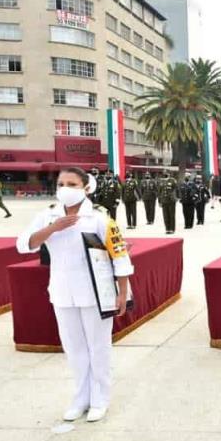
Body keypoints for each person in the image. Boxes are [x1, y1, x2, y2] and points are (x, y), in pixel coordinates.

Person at [16, 167, 134, 423]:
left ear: (85, 188)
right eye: (61, 183)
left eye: (72, 183)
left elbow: (120, 255)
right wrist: (53, 228)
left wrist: (122, 292)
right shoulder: (48, 215)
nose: (65, 189)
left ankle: (100, 398)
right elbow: (24, 244)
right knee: (74, 349)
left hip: (95, 295)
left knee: (98, 348)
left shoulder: (99, 218)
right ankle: (80, 398)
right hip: (62, 292)